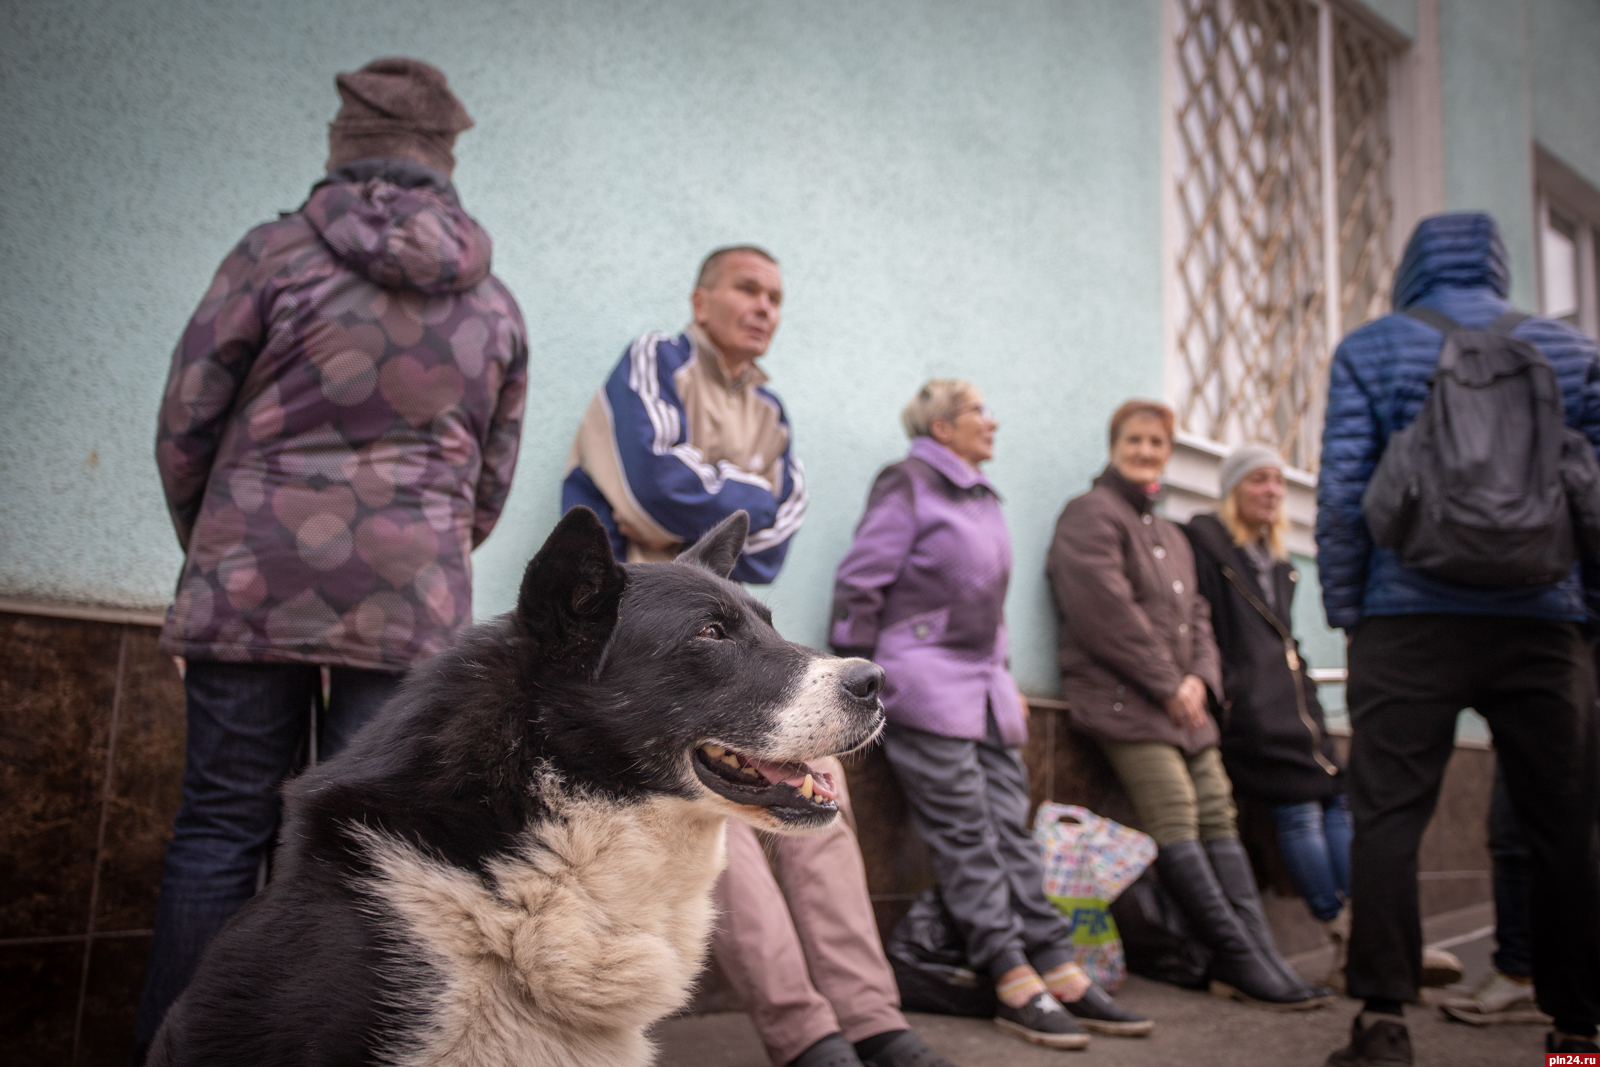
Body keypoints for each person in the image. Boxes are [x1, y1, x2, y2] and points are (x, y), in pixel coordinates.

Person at [139, 57, 528, 1056]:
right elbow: (489, 482)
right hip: (411, 606)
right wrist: (415, 559)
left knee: (222, 826)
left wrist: (220, 558)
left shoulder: (271, 257)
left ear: (342, 144)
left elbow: (186, 426)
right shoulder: (494, 306)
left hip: (250, 577)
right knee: (352, 854)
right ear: (445, 158)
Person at [562, 248, 953, 1067]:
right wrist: (740, 489)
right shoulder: (653, 361)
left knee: (818, 788)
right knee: (714, 808)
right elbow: (648, 484)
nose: (764, 306)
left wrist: (714, 489)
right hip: (635, 649)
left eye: (776, 294)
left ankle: (873, 1017)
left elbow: (764, 547)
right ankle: (805, 1034)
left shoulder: (771, 409)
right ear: (701, 299)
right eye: (747, 288)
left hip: (724, 640)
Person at [1315, 211, 1600, 1065]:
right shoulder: (1573, 352)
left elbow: (1340, 493)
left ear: (1412, 267)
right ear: (1501, 266)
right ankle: (1578, 1036)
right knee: (1566, 825)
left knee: (1389, 818)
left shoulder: (1374, 347)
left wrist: (1350, 609)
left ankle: (1383, 1026)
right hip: (1544, 618)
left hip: (1409, 616)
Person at [831, 380, 1152, 1051]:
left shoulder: (980, 493)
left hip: (984, 691)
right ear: (943, 425)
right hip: (922, 684)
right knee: (968, 837)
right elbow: (860, 582)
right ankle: (1008, 973)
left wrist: (1002, 681)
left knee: (1012, 831)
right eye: (980, 410)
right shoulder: (909, 481)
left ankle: (1057, 964)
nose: (993, 421)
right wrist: (857, 684)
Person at [1046, 400, 1329, 1012]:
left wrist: (1200, 678)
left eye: (1157, 443)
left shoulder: (1168, 532)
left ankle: (1260, 956)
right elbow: (1105, 614)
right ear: (1115, 444)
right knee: (1175, 810)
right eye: (1136, 441)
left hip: (1183, 706)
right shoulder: (1090, 515)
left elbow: (1199, 617)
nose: (1147, 451)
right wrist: (1169, 682)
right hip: (1126, 702)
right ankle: (1240, 959)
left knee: (1219, 812)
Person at [1185, 445, 1464, 991]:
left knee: (1337, 804)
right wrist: (1232, 692)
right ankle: (1341, 932)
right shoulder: (1209, 543)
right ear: (1233, 488)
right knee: (1298, 811)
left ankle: (1361, 931)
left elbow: (1284, 640)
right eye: (1258, 480)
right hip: (1254, 710)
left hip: (1296, 705)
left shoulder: (1278, 562)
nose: (1270, 491)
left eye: (1278, 482)